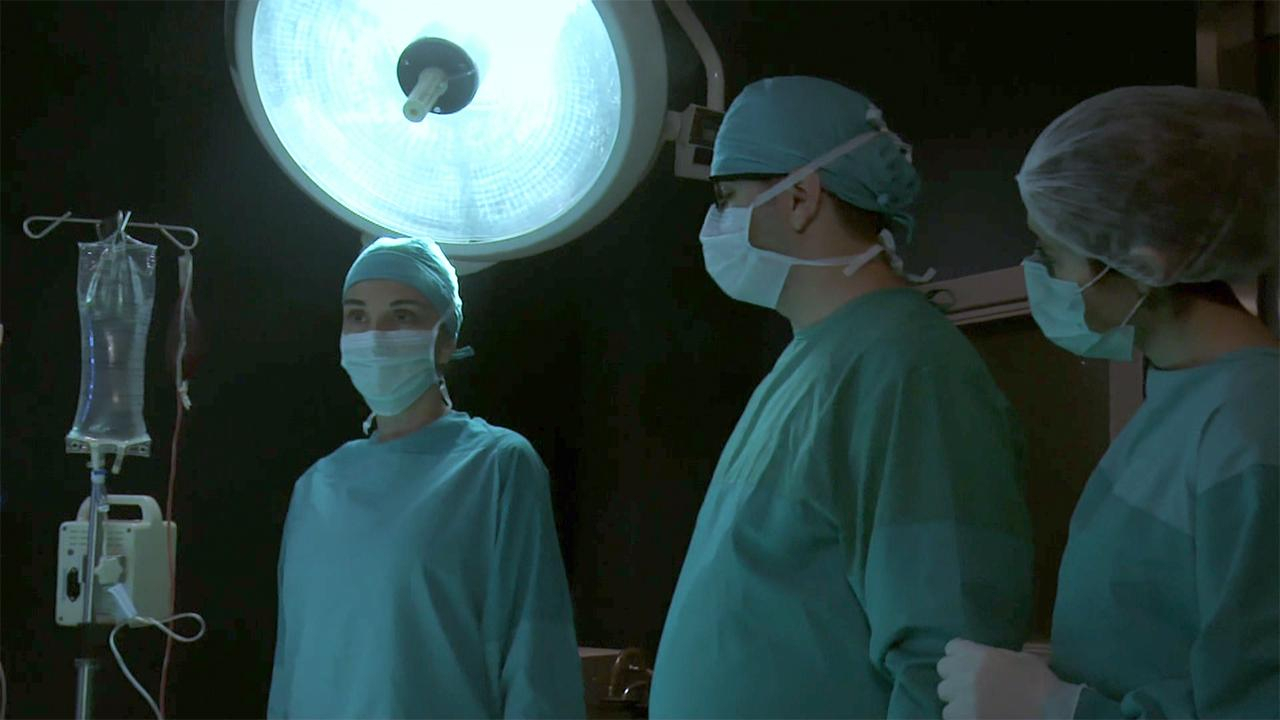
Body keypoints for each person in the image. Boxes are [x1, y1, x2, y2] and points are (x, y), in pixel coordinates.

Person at [648, 75, 1035, 718]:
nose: (716, 221)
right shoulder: (815, 358)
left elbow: (946, 666)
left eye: (727, 197)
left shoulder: (912, 371)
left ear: (801, 198)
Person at [937, 85, 1279, 719]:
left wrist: (1063, 710)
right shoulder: (1184, 395)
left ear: (1147, 263)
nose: (1039, 276)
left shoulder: (1252, 428)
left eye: (1051, 255)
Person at [267, 237, 585, 719]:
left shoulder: (495, 466)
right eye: (357, 316)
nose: (374, 336)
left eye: (401, 316)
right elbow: (291, 669)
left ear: (446, 340)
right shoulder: (318, 485)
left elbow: (536, 659)